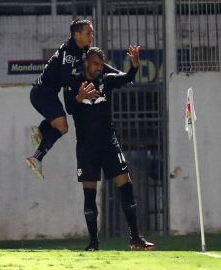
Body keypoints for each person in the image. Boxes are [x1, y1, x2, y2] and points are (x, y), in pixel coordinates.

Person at [64, 46, 155, 251]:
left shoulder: (106, 79)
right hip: (86, 147)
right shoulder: (73, 81)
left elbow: (127, 77)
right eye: (95, 64)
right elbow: (69, 108)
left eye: (101, 64)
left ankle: (135, 238)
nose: (99, 68)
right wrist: (79, 97)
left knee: (126, 186)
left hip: (108, 143)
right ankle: (94, 243)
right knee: (89, 194)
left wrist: (135, 64)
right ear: (86, 62)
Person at [26, 18, 120, 179]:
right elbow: (66, 77)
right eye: (88, 33)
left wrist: (118, 75)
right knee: (62, 127)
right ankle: (36, 158)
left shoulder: (84, 50)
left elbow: (99, 65)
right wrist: (83, 92)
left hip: (48, 94)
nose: (92, 36)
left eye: (92, 32)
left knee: (59, 124)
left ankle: (41, 131)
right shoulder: (69, 51)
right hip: (42, 94)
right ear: (77, 35)